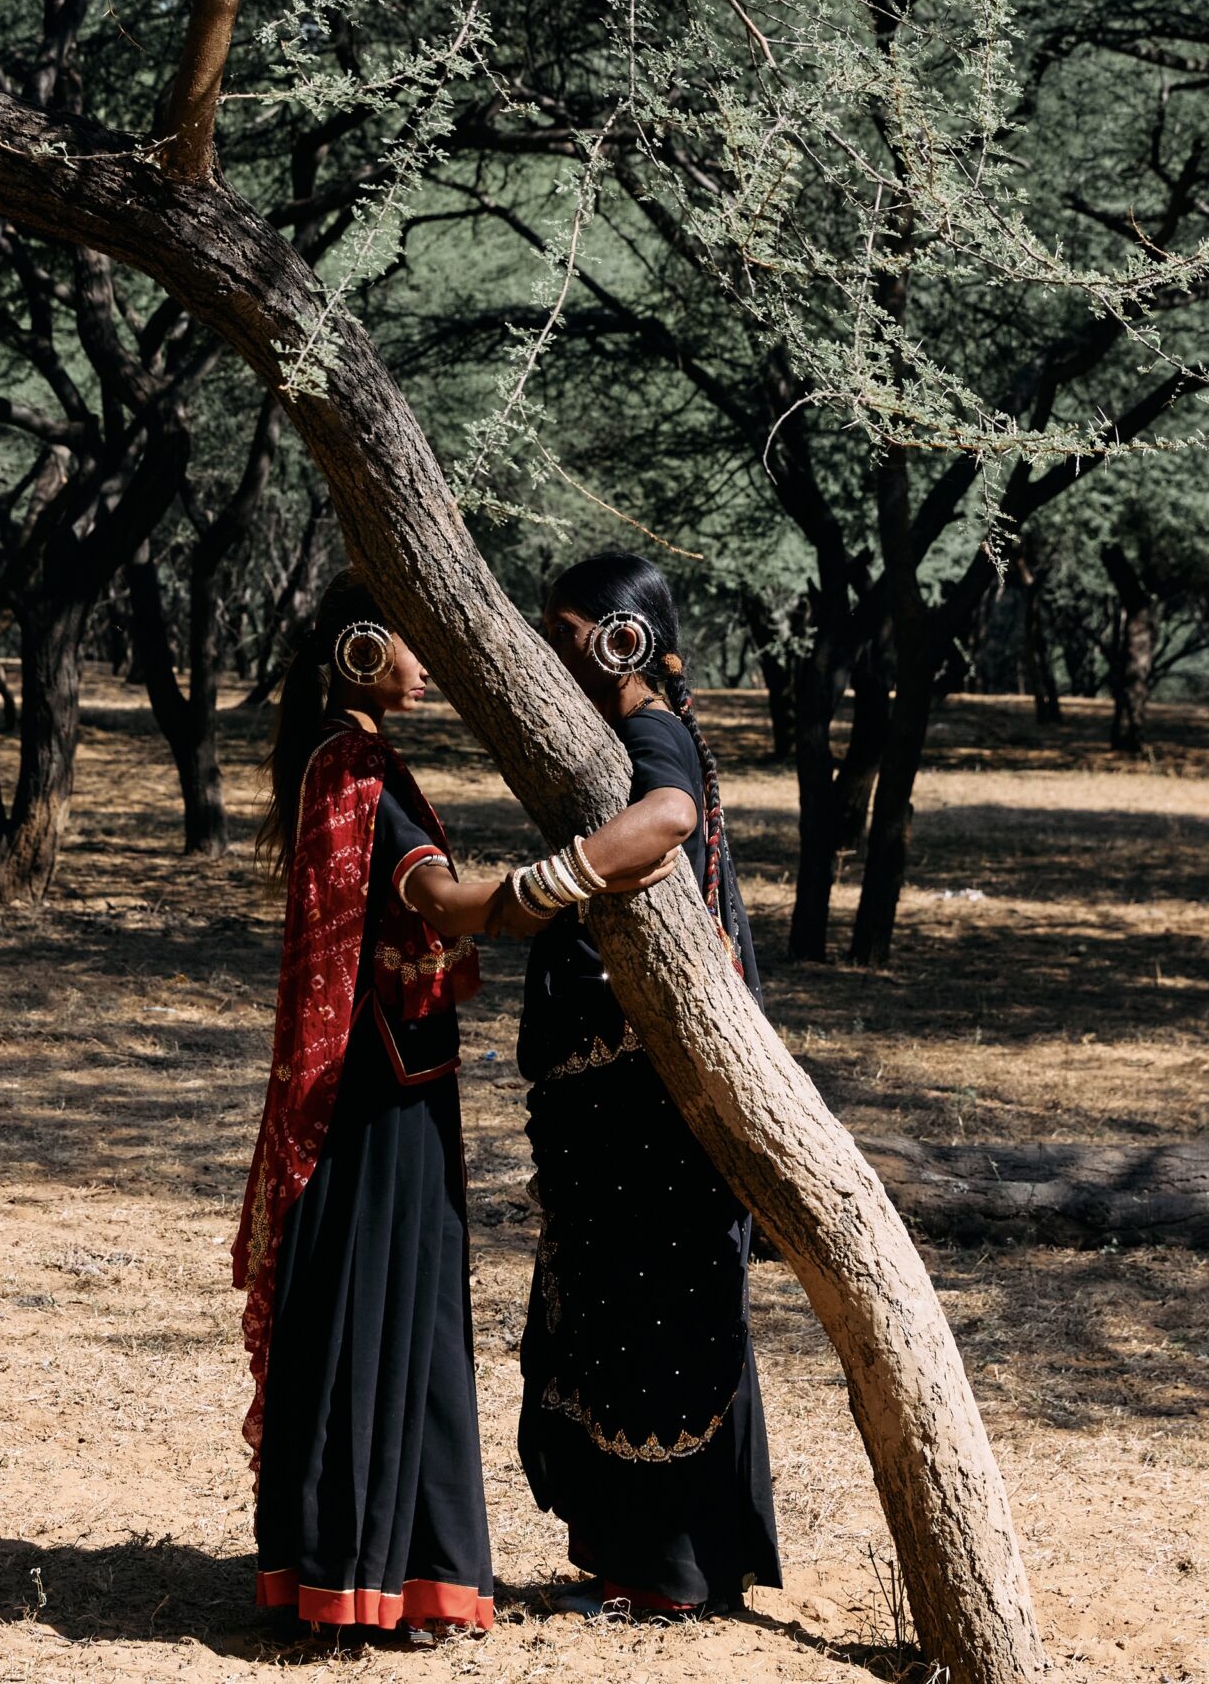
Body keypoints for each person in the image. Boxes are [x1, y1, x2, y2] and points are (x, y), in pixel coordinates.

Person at [239, 574, 631, 1639]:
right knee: (385, 1310)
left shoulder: (343, 754)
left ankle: (375, 1573)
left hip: (383, 1073)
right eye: (415, 644)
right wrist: (582, 872)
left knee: (385, 1312)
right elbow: (441, 903)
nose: (430, 667)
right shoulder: (356, 764)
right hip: (377, 1094)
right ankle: (370, 1579)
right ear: (363, 651)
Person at [510, 551, 782, 1618]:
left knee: (649, 1318)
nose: (551, 653)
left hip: (640, 1109)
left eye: (566, 633)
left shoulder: (650, 733)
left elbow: (666, 816)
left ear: (623, 640)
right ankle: (643, 1564)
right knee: (629, 1313)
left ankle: (664, 1574)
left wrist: (542, 887)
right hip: (622, 1104)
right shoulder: (627, 735)